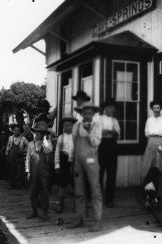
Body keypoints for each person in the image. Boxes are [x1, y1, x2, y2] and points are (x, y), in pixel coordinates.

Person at [66, 102, 103, 232]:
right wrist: (72, 159)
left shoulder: (97, 126)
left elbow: (95, 143)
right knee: (79, 190)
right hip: (78, 162)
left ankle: (97, 221)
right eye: (85, 113)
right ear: (81, 114)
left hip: (91, 161)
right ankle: (79, 218)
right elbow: (74, 143)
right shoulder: (77, 125)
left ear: (93, 114)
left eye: (90, 113)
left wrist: (88, 132)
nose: (87, 115)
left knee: (95, 190)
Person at [26, 121, 53, 221]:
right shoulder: (30, 144)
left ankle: (45, 212)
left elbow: (48, 150)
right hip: (34, 172)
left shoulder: (47, 143)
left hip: (44, 172)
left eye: (41, 132)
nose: (38, 134)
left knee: (44, 191)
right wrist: (28, 171)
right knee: (33, 191)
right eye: (37, 132)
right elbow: (28, 158)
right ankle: (34, 211)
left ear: (44, 134)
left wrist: (45, 139)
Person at [142, 101, 162, 181]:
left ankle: (159, 186)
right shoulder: (149, 120)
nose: (156, 110)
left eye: (158, 108)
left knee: (159, 163)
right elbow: (146, 132)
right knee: (148, 162)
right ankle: (147, 184)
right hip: (151, 142)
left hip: (160, 141)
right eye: (154, 108)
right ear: (152, 109)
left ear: (160, 109)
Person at [98, 98, 120, 208]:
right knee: (99, 173)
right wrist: (102, 132)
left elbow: (118, 134)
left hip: (112, 146)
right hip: (101, 146)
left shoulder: (114, 121)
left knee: (112, 173)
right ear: (105, 108)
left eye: (113, 108)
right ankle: (97, 199)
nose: (112, 109)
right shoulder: (98, 119)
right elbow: (94, 133)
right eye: (110, 107)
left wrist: (113, 132)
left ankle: (109, 199)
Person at [54, 115, 77, 213]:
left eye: (70, 125)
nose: (67, 127)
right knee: (61, 185)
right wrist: (57, 165)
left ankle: (76, 206)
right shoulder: (61, 138)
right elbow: (57, 152)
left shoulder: (76, 137)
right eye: (65, 125)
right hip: (63, 161)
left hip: (74, 162)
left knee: (75, 185)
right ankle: (60, 205)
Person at [6, 124, 29, 189]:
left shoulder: (23, 138)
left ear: (20, 131)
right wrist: (7, 152)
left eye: (18, 130)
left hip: (19, 157)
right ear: (13, 131)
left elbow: (28, 145)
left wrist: (24, 150)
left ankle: (20, 185)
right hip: (12, 157)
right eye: (15, 130)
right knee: (12, 171)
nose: (16, 131)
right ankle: (12, 185)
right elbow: (8, 146)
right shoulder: (10, 138)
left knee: (20, 171)